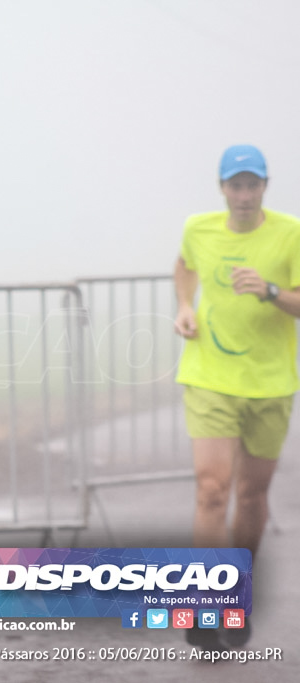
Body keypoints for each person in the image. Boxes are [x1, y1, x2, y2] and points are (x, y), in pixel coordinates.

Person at [174, 145, 300, 649]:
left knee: (251, 495)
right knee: (212, 489)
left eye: (252, 185)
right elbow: (184, 265)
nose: (244, 194)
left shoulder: (290, 233)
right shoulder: (199, 228)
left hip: (270, 383)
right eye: (236, 185)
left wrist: (271, 291)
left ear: (265, 186)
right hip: (209, 375)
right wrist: (185, 305)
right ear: (222, 188)